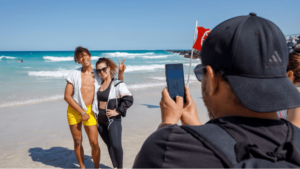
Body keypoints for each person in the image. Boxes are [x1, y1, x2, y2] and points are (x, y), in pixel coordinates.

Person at [133, 13, 300, 168]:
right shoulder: (295, 141)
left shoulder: (172, 148)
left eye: (201, 72)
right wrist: (196, 125)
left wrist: (167, 124)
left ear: (212, 79)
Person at [64, 46, 126, 169]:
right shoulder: (74, 74)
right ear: (77, 60)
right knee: (77, 141)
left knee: (94, 143)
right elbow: (67, 96)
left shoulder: (98, 73)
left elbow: (115, 87)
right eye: (79, 57)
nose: (83, 58)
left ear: (89, 55)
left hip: (90, 110)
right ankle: (82, 167)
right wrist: (82, 112)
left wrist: (120, 73)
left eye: (84, 55)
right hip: (74, 110)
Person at [95, 57, 133, 169]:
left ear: (109, 68)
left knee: (116, 145)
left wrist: (118, 111)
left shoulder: (116, 83)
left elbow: (129, 99)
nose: (101, 72)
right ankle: (115, 167)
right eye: (99, 70)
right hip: (100, 120)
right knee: (109, 145)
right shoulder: (98, 84)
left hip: (112, 119)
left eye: (104, 69)